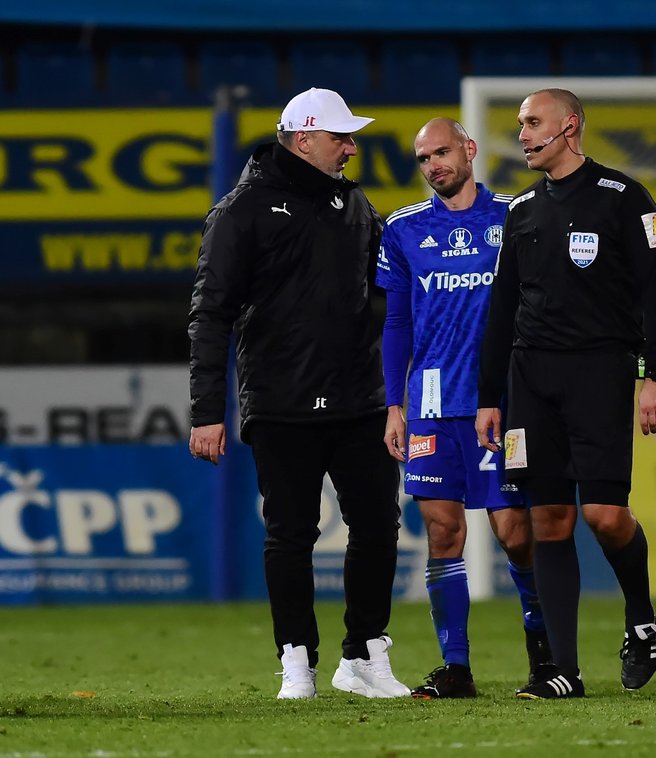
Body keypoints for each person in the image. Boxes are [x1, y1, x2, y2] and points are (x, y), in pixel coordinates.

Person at [188, 87, 410, 700]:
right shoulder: (240, 211)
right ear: (304, 137)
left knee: (377, 526)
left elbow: (389, 300)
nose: (352, 147)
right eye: (341, 137)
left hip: (360, 397)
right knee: (291, 533)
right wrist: (207, 412)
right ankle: (296, 662)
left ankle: (364, 655)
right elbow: (210, 314)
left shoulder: (357, 206)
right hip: (281, 401)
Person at [476, 88, 656, 699]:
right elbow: (503, 308)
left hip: (601, 372)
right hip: (530, 379)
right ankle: (563, 669)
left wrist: (655, 375)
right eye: (519, 125)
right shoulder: (521, 211)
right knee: (549, 519)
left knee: (604, 515)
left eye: (534, 123)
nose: (524, 134)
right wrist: (490, 395)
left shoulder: (626, 199)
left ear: (570, 126)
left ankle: (640, 617)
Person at [376, 117, 555, 699]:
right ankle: (456, 667)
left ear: (470, 150)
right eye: (424, 158)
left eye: (443, 152)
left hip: (496, 404)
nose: (434, 166)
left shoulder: (515, 214)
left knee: (514, 532)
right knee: (442, 530)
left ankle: (544, 652)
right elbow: (397, 322)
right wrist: (394, 404)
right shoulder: (402, 229)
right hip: (429, 403)